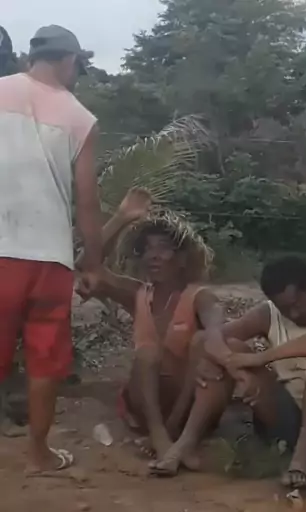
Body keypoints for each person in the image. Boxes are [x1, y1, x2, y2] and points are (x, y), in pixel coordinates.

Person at [151, 256, 306, 487]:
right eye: (285, 309)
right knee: (230, 347)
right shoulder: (269, 313)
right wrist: (229, 364)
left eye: (297, 304)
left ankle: (305, 452)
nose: (294, 314)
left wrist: (259, 358)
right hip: (290, 416)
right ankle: (186, 443)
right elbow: (203, 339)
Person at [0, 25, 102, 472]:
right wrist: (94, 264)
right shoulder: (81, 118)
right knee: (44, 360)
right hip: (51, 260)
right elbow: (87, 200)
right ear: (69, 61)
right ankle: (39, 454)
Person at [79, 189, 228, 467]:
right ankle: (161, 437)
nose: (153, 255)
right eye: (147, 249)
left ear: (182, 258)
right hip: (147, 403)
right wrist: (122, 218)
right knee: (147, 353)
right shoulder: (137, 293)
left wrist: (216, 341)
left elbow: (215, 321)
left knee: (202, 341)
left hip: (189, 404)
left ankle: (175, 435)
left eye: (163, 248)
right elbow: (87, 266)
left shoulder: (199, 296)